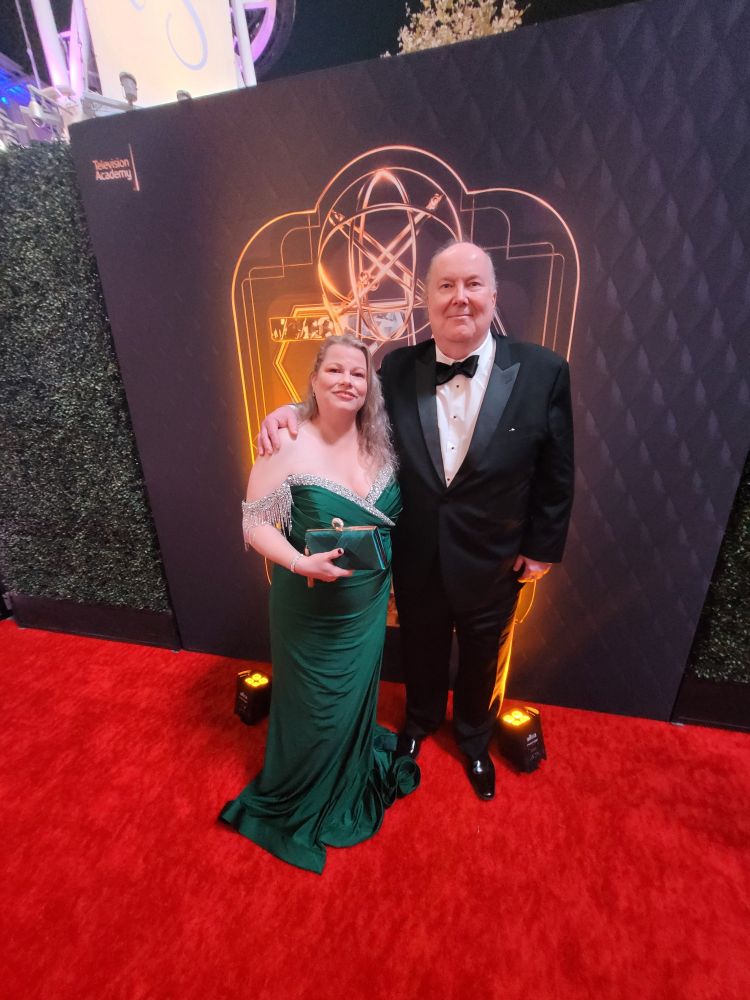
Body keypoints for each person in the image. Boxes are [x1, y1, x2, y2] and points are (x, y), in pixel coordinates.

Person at [258, 242, 574, 801]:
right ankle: (420, 721)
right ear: (427, 299)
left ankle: (474, 738)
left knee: (484, 654)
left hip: (496, 557)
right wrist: (290, 412)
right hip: (416, 551)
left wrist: (542, 547)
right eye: (446, 285)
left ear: (493, 294)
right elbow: (344, 408)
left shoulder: (544, 370)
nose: (460, 297)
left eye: (472, 284)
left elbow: (557, 468)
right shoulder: (398, 367)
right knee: (421, 645)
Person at [220, 334, 419, 874]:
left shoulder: (383, 442)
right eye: (334, 370)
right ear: (313, 378)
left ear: (370, 385)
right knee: (312, 704)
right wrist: (298, 563)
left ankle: (349, 768)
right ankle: (302, 788)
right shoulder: (285, 441)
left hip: (367, 607)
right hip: (307, 608)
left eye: (358, 373)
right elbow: (254, 523)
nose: (346, 381)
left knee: (353, 698)